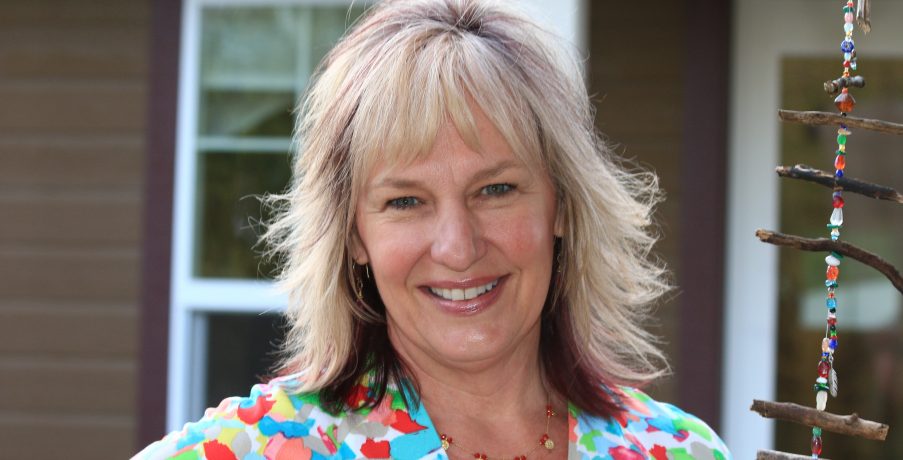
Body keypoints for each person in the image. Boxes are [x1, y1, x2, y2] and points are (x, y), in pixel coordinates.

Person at [135, 0, 731, 459]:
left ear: (562, 207)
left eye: (496, 190)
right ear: (354, 236)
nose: (457, 247)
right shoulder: (254, 448)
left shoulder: (680, 450)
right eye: (405, 201)